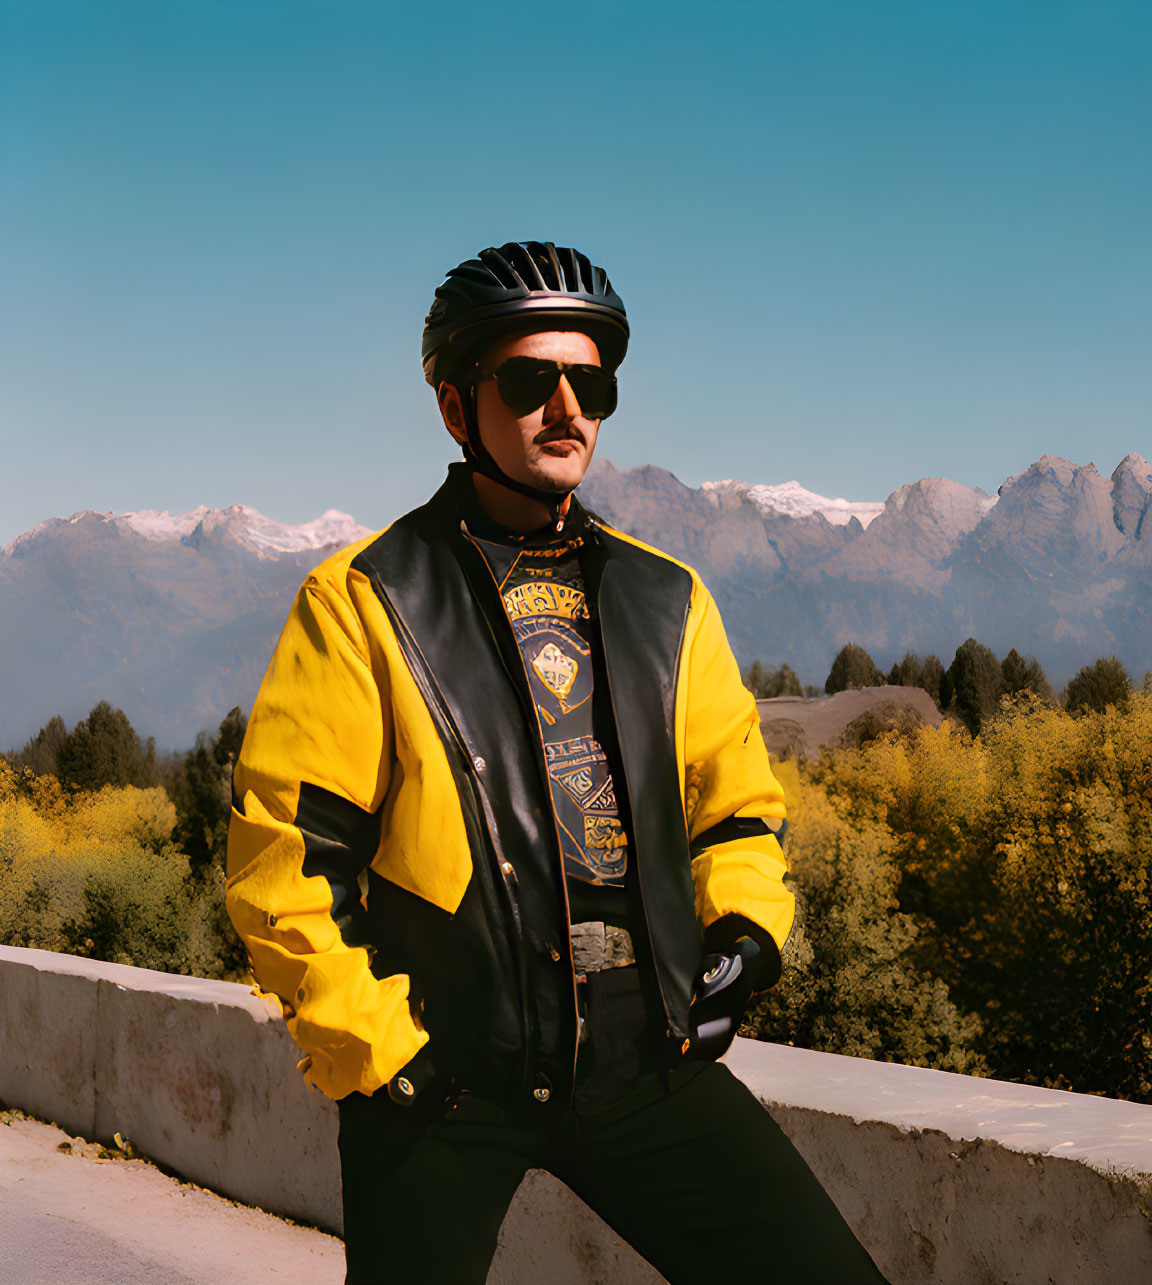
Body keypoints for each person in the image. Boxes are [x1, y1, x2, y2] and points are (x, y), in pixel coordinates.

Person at [224, 241, 890, 1284]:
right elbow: (286, 866)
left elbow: (738, 814)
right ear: (456, 408)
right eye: (532, 380)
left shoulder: (669, 599)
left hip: (647, 1061)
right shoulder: (362, 600)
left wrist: (748, 940)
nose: (567, 407)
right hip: (444, 1080)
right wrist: (387, 1063)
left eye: (592, 382)